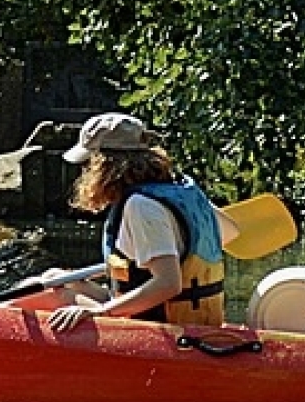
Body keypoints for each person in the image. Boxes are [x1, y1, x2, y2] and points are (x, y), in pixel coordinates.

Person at [29, 112, 234, 331]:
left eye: (88, 164)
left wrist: (100, 312)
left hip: (166, 327)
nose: (85, 172)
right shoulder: (184, 193)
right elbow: (230, 233)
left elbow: (168, 284)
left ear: (104, 165)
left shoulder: (142, 206)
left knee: (55, 297)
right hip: (190, 317)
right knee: (53, 278)